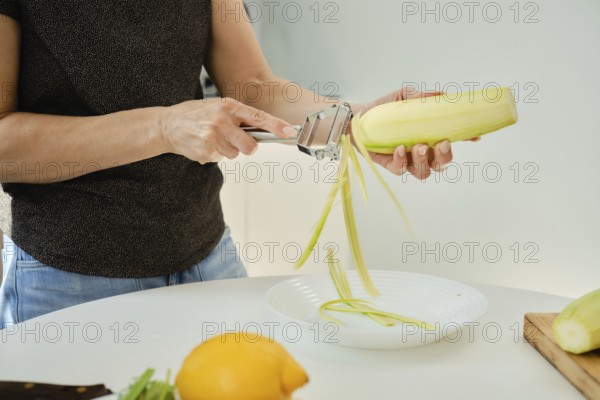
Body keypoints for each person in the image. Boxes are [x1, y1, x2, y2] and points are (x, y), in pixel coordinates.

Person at [0, 0, 455, 328]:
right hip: (68, 281)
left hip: (207, 260)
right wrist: (162, 126)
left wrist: (356, 121)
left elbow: (254, 85)